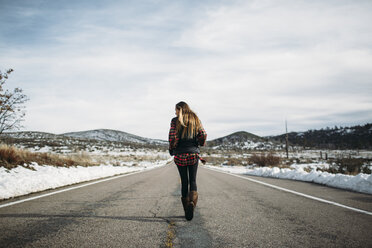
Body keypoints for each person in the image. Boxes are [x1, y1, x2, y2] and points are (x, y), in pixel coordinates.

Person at [168, 101, 207, 221]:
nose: (175, 112)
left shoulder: (175, 120)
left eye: (176, 110)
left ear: (180, 109)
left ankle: (186, 209)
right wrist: (199, 143)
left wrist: (172, 148)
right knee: (193, 180)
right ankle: (192, 204)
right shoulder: (195, 118)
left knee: (184, 181)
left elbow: (172, 137)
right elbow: (203, 134)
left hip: (180, 155)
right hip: (193, 154)